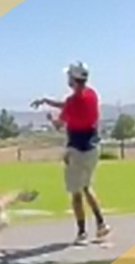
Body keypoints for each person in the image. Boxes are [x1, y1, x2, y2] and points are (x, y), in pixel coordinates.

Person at [31, 61, 110, 243]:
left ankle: (82, 232)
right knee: (87, 187)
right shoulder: (91, 95)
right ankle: (101, 224)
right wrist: (47, 101)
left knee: (76, 194)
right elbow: (68, 105)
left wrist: (50, 117)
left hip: (76, 151)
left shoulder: (72, 102)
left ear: (73, 79)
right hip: (92, 149)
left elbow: (60, 124)